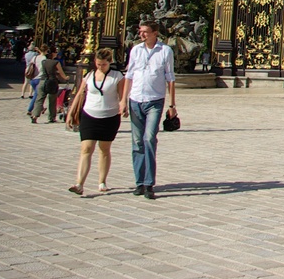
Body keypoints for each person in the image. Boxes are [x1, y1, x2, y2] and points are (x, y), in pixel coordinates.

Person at [120, 20, 177, 200]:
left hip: (154, 100)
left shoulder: (165, 51)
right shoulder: (136, 50)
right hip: (135, 99)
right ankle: (139, 182)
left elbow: (170, 78)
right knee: (137, 141)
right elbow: (129, 75)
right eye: (140, 31)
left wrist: (172, 105)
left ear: (154, 33)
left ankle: (149, 182)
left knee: (149, 138)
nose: (141, 34)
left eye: (145, 31)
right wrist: (123, 100)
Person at [66, 48, 123, 196]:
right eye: (98, 64)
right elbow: (79, 94)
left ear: (110, 62)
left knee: (104, 149)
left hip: (109, 116)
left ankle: (102, 181)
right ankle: (79, 183)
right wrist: (71, 113)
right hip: (89, 115)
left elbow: (122, 96)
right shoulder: (89, 75)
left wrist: (124, 107)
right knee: (86, 148)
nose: (100, 67)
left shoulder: (117, 76)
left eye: (103, 64)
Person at [31, 46, 67, 124]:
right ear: (53, 54)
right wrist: (66, 78)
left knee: (39, 99)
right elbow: (61, 73)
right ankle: (51, 117)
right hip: (52, 82)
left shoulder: (44, 61)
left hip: (42, 81)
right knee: (52, 100)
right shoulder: (56, 62)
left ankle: (35, 115)